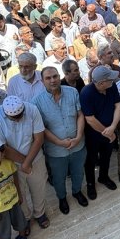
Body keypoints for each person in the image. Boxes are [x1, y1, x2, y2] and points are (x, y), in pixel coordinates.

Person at [0, 95, 50, 231]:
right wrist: (25, 163)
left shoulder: (32, 109)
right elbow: (2, 148)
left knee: (39, 188)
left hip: (36, 157)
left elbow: (38, 138)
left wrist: (27, 163)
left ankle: (40, 213)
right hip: (11, 163)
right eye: (13, 118)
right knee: (18, 193)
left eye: (20, 116)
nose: (17, 119)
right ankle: (26, 218)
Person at [32, 66, 88, 214]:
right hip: (56, 150)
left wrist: (78, 136)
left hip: (78, 144)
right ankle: (62, 198)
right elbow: (41, 128)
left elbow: (80, 115)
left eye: (55, 76)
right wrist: (59, 142)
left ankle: (77, 192)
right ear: (42, 81)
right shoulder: (36, 102)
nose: (52, 80)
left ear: (59, 76)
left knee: (78, 172)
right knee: (58, 177)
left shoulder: (72, 92)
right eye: (48, 78)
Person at [79, 66, 120, 200]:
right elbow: (90, 119)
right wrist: (108, 133)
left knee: (106, 156)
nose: (113, 80)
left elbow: (118, 105)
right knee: (91, 160)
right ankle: (91, 184)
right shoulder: (86, 93)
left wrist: (113, 127)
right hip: (93, 135)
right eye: (110, 79)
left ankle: (104, 177)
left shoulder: (112, 86)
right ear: (101, 83)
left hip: (110, 130)